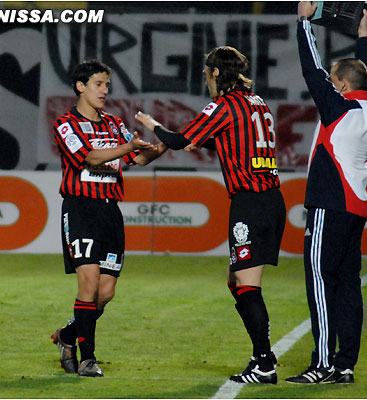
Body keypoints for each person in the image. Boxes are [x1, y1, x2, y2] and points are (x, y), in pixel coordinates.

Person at [135, 46, 286, 385]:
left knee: (247, 285)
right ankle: (262, 355)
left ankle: (264, 362)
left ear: (216, 73)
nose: (206, 81)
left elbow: (176, 140)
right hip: (272, 199)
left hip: (250, 201)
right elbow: (236, 141)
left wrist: (152, 124)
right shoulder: (257, 103)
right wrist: (201, 141)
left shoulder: (223, 105)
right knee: (237, 282)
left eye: (206, 74)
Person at [286, 2, 367, 384]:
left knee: (319, 281)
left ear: (341, 85)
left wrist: (303, 21)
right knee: (347, 286)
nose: (329, 81)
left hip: (329, 204)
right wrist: (363, 37)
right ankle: (345, 363)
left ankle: (323, 363)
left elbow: (311, 69)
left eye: (334, 79)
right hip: (356, 207)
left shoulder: (337, 108)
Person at [50, 59, 166, 377]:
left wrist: (162, 146)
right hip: (81, 209)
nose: (105, 90)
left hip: (109, 212)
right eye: (99, 84)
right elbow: (89, 157)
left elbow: (137, 159)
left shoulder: (113, 123)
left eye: (106, 85)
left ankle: (66, 337)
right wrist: (127, 145)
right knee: (88, 284)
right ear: (80, 86)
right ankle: (88, 359)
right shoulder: (66, 124)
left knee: (105, 293)